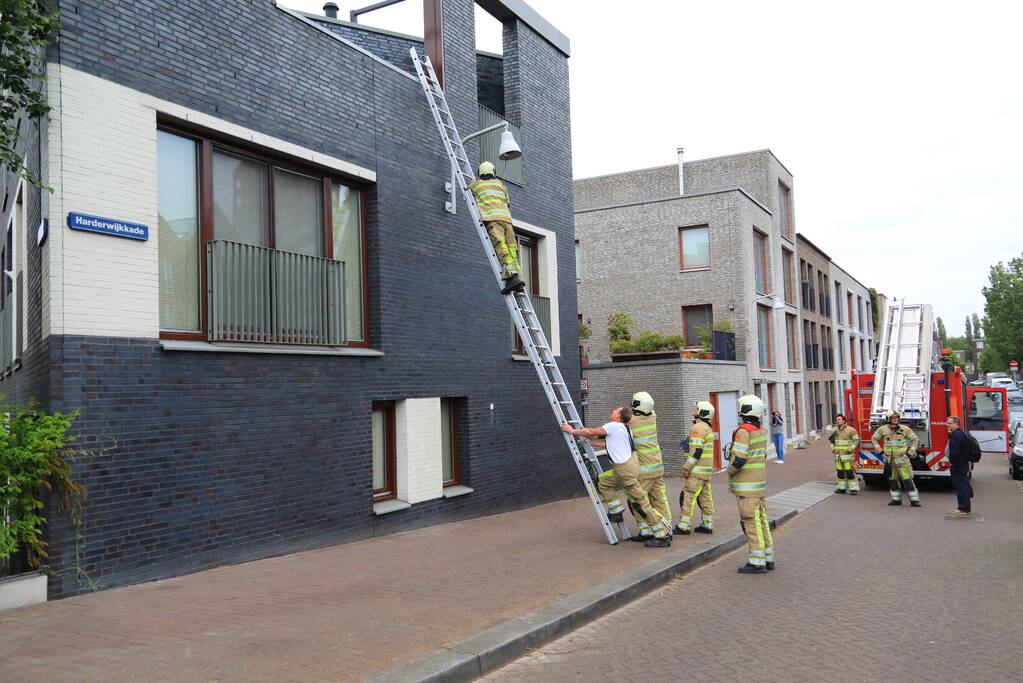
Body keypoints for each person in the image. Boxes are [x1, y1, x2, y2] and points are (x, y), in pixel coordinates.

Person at [560, 407, 671, 548]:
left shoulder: (613, 426)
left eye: (615, 410)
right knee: (604, 481)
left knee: (641, 503)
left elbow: (591, 432)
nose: (612, 410)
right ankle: (616, 511)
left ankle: (662, 535)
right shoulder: (624, 428)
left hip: (625, 472)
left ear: (618, 416)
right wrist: (592, 443)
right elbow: (610, 444)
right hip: (626, 469)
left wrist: (572, 431)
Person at [728, 394, 774, 573]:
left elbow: (738, 459)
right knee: (762, 521)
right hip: (758, 485)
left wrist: (730, 471)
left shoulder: (744, 431)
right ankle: (768, 557)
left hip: (746, 486)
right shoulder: (760, 430)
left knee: (751, 523)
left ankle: (757, 561)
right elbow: (762, 455)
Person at [469, 161, 524, 295]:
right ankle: (518, 281)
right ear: (493, 172)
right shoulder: (501, 185)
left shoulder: (477, 185)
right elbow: (507, 202)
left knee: (501, 246)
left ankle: (511, 277)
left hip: (493, 220)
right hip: (507, 221)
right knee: (512, 248)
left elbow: (469, 190)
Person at [627, 391, 673, 545]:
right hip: (658, 468)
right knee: (660, 500)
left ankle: (654, 532)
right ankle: (667, 528)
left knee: (638, 501)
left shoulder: (632, 422)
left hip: (644, 471)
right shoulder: (653, 417)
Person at [676, 400, 715, 535]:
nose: (694, 409)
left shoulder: (698, 428)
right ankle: (707, 524)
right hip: (705, 471)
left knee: (689, 497)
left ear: (702, 412)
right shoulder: (707, 427)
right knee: (705, 498)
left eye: (697, 408)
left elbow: (697, 452)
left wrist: (686, 467)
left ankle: (683, 526)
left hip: (696, 471)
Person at [871, 410, 921, 507]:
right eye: (893, 418)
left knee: (908, 481)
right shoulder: (882, 429)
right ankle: (896, 499)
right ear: (888, 419)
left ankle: (915, 500)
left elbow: (915, 440)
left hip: (903, 461)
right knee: (892, 481)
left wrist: (910, 452)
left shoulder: (905, 429)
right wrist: (880, 451)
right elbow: (874, 439)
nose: (895, 419)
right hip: (889, 462)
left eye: (897, 418)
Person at [945, 415, 972, 516]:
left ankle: (963, 508)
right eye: (947, 423)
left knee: (961, 487)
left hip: (958, 465)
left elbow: (954, 452)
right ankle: (964, 507)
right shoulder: (960, 434)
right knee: (963, 486)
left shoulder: (956, 436)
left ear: (956, 424)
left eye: (949, 423)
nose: (947, 425)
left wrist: (952, 461)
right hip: (962, 464)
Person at [830, 414, 860, 495]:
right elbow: (831, 442)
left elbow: (856, 440)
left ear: (844, 420)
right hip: (838, 457)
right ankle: (841, 488)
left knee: (850, 473)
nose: (838, 421)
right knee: (840, 473)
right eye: (836, 420)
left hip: (848, 456)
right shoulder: (834, 430)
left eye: (839, 419)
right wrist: (833, 449)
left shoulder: (851, 430)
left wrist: (850, 449)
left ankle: (853, 489)